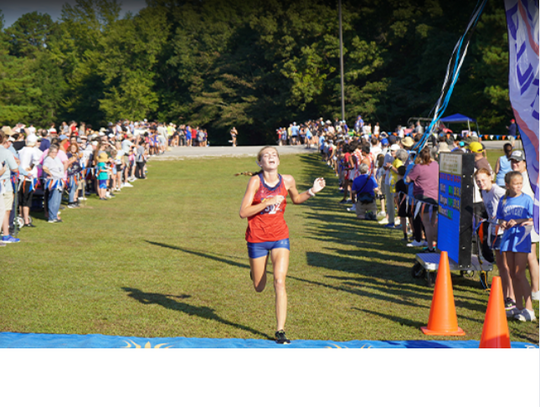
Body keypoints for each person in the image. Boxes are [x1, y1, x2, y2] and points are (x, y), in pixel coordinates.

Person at [239, 146, 326, 344]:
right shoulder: (255, 181)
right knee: (259, 287)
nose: (271, 157)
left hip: (280, 237)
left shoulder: (288, 180)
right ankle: (255, 272)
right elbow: (243, 212)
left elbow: (296, 199)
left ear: (278, 161)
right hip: (257, 239)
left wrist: (312, 191)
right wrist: (266, 202)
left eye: (274, 155)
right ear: (259, 163)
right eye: (266, 155)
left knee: (279, 281)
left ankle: (280, 330)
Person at [496, 171, 535, 322]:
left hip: (521, 238)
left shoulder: (527, 199)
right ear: (507, 185)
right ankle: (518, 307)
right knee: (512, 273)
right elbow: (499, 218)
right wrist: (503, 223)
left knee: (520, 274)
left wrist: (518, 221)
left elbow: (533, 218)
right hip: (507, 239)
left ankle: (529, 309)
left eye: (520, 183)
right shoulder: (504, 200)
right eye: (515, 184)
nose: (519, 186)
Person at [475, 168, 513, 312]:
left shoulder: (498, 190)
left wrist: (505, 219)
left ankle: (511, 297)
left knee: (506, 265)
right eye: (478, 181)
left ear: (491, 177)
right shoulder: (483, 192)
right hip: (494, 231)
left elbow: (511, 202)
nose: (480, 183)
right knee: (500, 265)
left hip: (503, 231)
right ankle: (505, 295)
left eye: (483, 180)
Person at [508, 150, 539, 301]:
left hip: (528, 222)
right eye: (513, 161)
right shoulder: (515, 177)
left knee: (531, 257)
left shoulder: (529, 179)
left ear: (525, 163)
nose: (515, 164)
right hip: (518, 224)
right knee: (527, 257)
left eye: (518, 161)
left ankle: (536, 290)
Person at [406, 147, 439, 251]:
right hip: (436, 196)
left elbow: (407, 179)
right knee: (433, 222)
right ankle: (433, 244)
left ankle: (430, 246)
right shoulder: (436, 165)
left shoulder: (418, 167)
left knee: (427, 223)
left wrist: (410, 170)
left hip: (423, 198)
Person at [17, 134, 42, 226]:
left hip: (20, 177)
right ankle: (26, 219)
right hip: (28, 177)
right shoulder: (32, 151)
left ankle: (20, 216)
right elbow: (36, 161)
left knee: (21, 198)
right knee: (27, 199)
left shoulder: (21, 150)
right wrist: (30, 167)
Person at [42, 145, 69, 223]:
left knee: (57, 199)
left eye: (55, 152)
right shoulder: (48, 159)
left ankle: (55, 215)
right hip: (53, 181)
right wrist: (50, 173)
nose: (54, 154)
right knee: (53, 199)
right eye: (53, 152)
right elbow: (44, 167)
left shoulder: (56, 158)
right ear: (49, 152)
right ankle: (51, 216)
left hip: (59, 179)